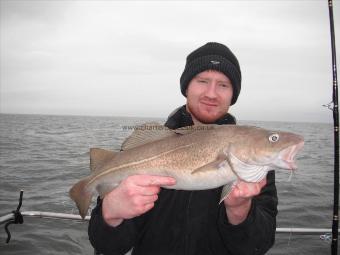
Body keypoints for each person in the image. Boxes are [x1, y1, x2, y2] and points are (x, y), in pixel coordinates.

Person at [88, 42, 278, 255]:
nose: (212, 93)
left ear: (233, 94)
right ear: (186, 86)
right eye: (202, 81)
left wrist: (240, 211)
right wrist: (111, 215)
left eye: (223, 85)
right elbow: (107, 246)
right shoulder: (145, 150)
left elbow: (259, 245)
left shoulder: (255, 163)